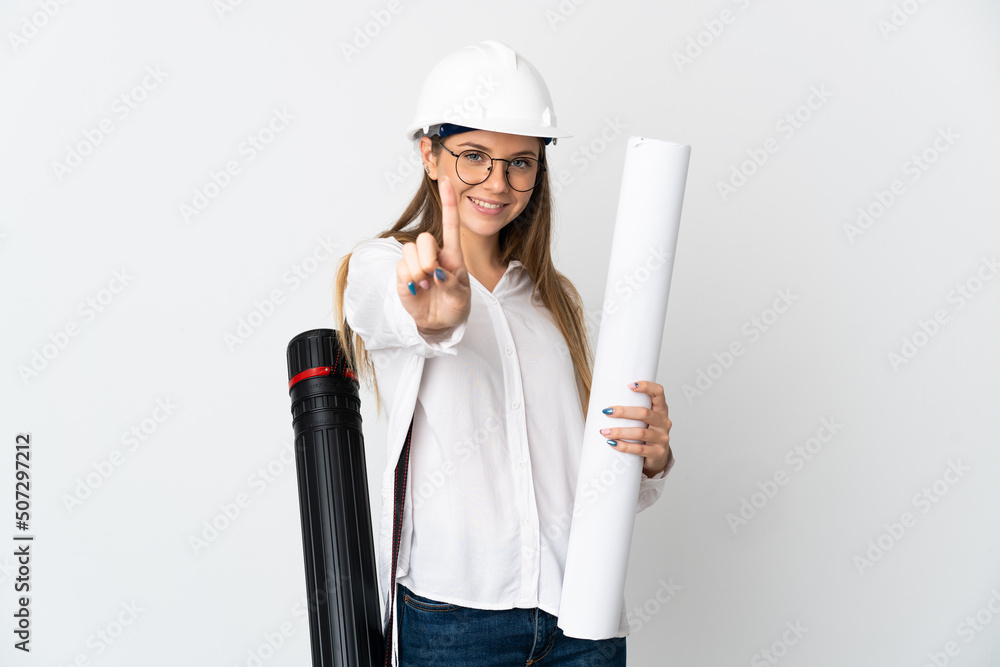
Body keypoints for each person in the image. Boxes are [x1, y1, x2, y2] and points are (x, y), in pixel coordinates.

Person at [333, 40, 675, 667]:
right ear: (430, 155)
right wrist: (433, 316)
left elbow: (582, 472)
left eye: (520, 162)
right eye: (473, 157)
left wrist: (648, 460)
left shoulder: (550, 301)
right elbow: (387, 307)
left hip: (583, 616)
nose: (498, 182)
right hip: (453, 621)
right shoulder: (387, 267)